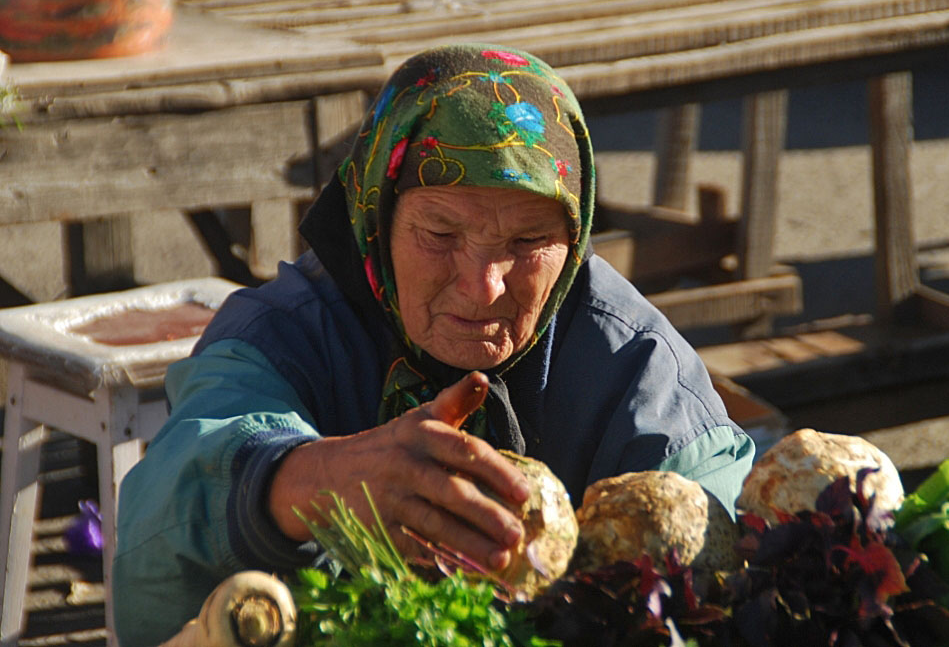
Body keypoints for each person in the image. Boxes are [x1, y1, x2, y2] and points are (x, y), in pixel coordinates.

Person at [112, 43, 755, 645]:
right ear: (377, 215)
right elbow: (158, 526)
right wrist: (319, 481)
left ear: (577, 232)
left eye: (528, 242)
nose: (482, 288)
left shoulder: (632, 362)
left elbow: (721, 538)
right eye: (440, 234)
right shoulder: (282, 336)